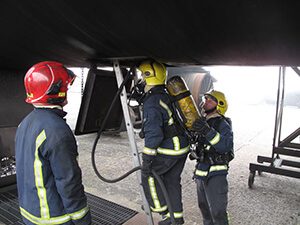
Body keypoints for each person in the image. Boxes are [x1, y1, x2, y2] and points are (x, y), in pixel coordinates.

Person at [15, 61, 92, 225]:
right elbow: (68, 182)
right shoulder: (56, 130)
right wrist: (82, 218)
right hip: (53, 219)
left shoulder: (24, 123)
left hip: (29, 214)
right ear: (56, 90)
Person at [138, 60, 189, 225]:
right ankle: (176, 217)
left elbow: (154, 136)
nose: (141, 80)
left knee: (149, 175)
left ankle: (163, 213)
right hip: (182, 147)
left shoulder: (152, 102)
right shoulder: (166, 94)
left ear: (149, 77)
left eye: (142, 76)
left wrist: (147, 159)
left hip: (170, 150)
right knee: (172, 181)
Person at [191, 90, 234, 225]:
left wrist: (207, 131)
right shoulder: (203, 122)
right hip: (201, 173)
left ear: (219, 105)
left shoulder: (222, 124)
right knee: (205, 211)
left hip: (216, 174)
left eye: (210, 100)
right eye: (206, 98)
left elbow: (225, 146)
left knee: (218, 213)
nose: (206, 101)